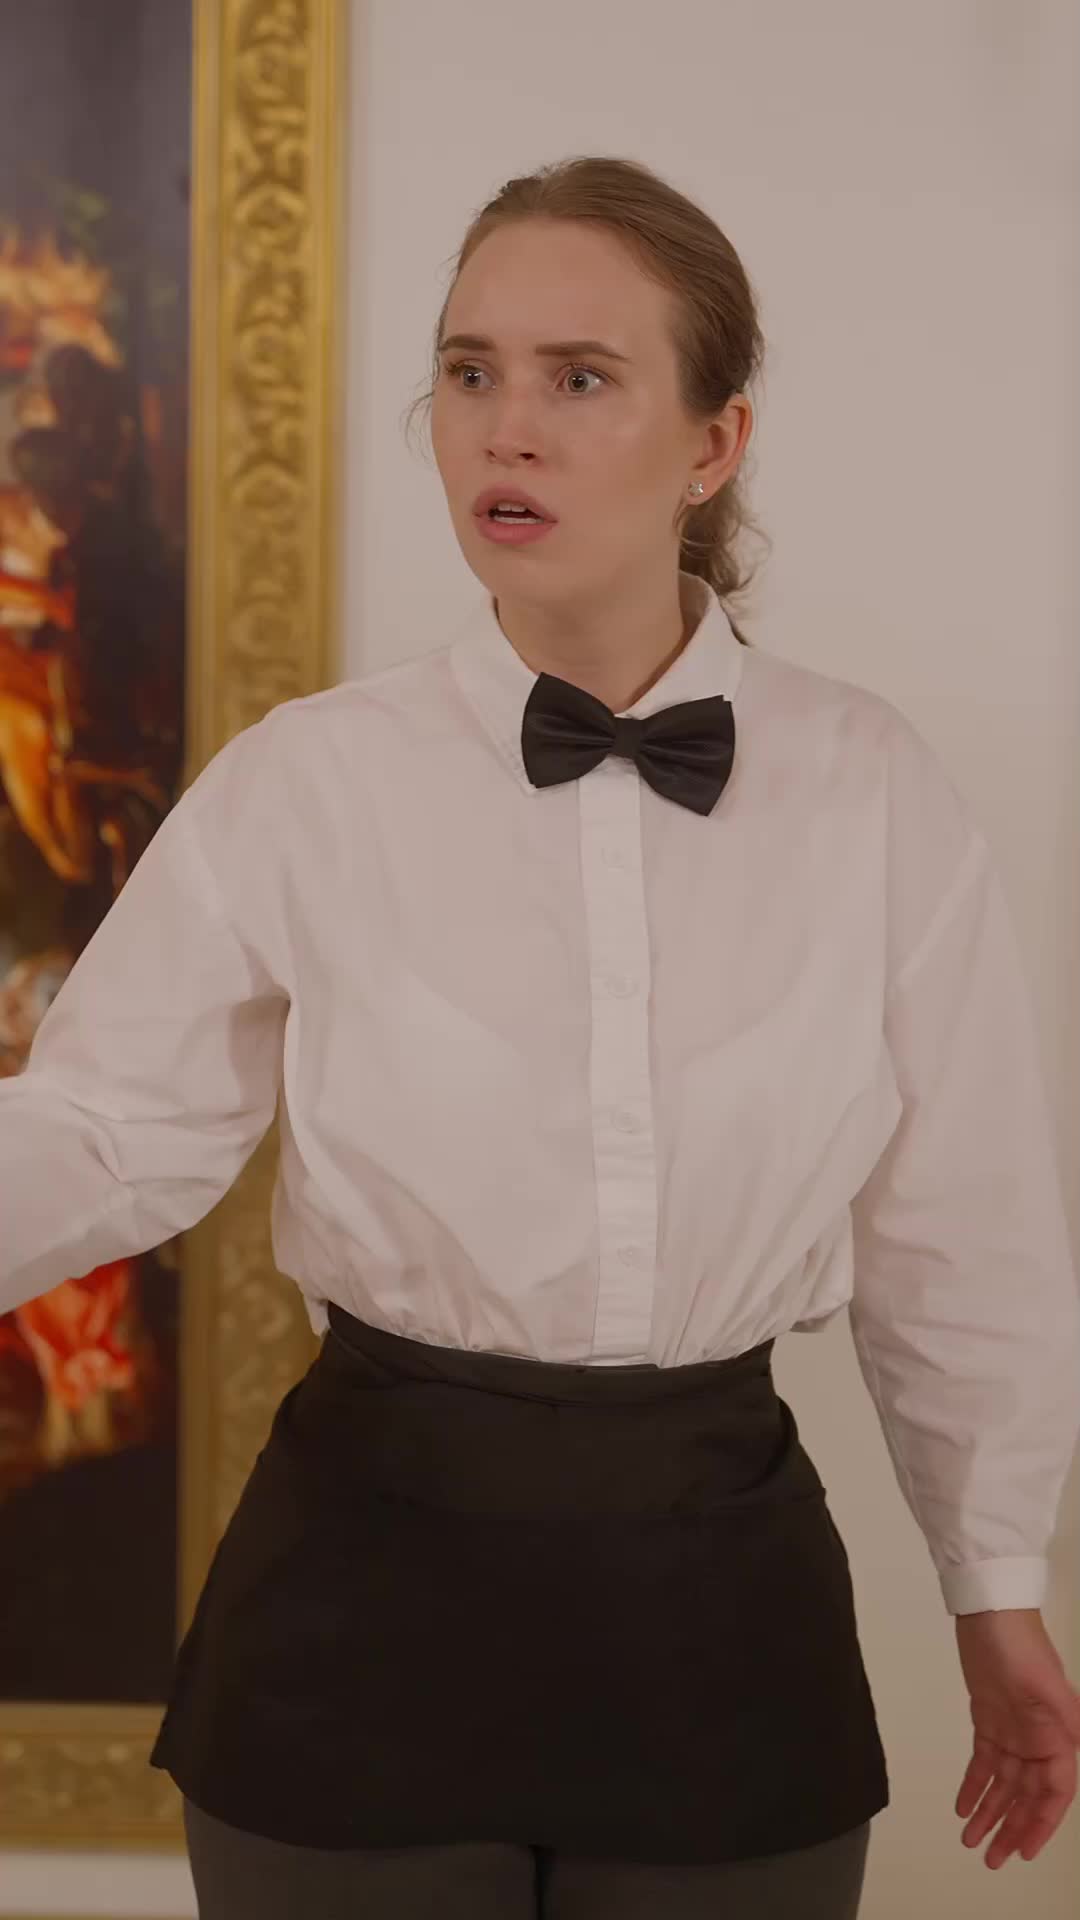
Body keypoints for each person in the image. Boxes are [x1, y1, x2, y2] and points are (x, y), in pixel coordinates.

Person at [3, 154, 1079, 1919]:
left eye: (580, 377)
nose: (506, 427)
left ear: (715, 443)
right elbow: (109, 1128)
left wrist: (996, 1585)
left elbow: (960, 1231)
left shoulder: (874, 793)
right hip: (352, 1612)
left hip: (725, 1627)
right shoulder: (309, 782)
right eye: (470, 371)